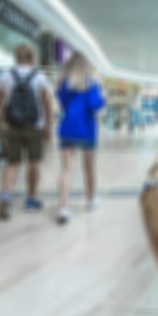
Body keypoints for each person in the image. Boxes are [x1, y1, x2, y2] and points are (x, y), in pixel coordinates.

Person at [0, 43, 53, 220]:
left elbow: (0, 101)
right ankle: (31, 199)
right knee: (33, 163)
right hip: (34, 127)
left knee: (12, 163)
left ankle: (6, 197)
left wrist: (3, 123)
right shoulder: (40, 77)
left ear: (16, 58)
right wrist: (48, 126)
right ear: (32, 58)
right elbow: (47, 103)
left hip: (12, 126)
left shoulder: (5, 75)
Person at [55, 52, 105, 224]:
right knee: (89, 167)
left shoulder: (63, 83)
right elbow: (96, 105)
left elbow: (61, 102)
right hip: (87, 130)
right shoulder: (92, 83)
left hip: (67, 129)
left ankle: (63, 208)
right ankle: (90, 200)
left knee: (66, 169)